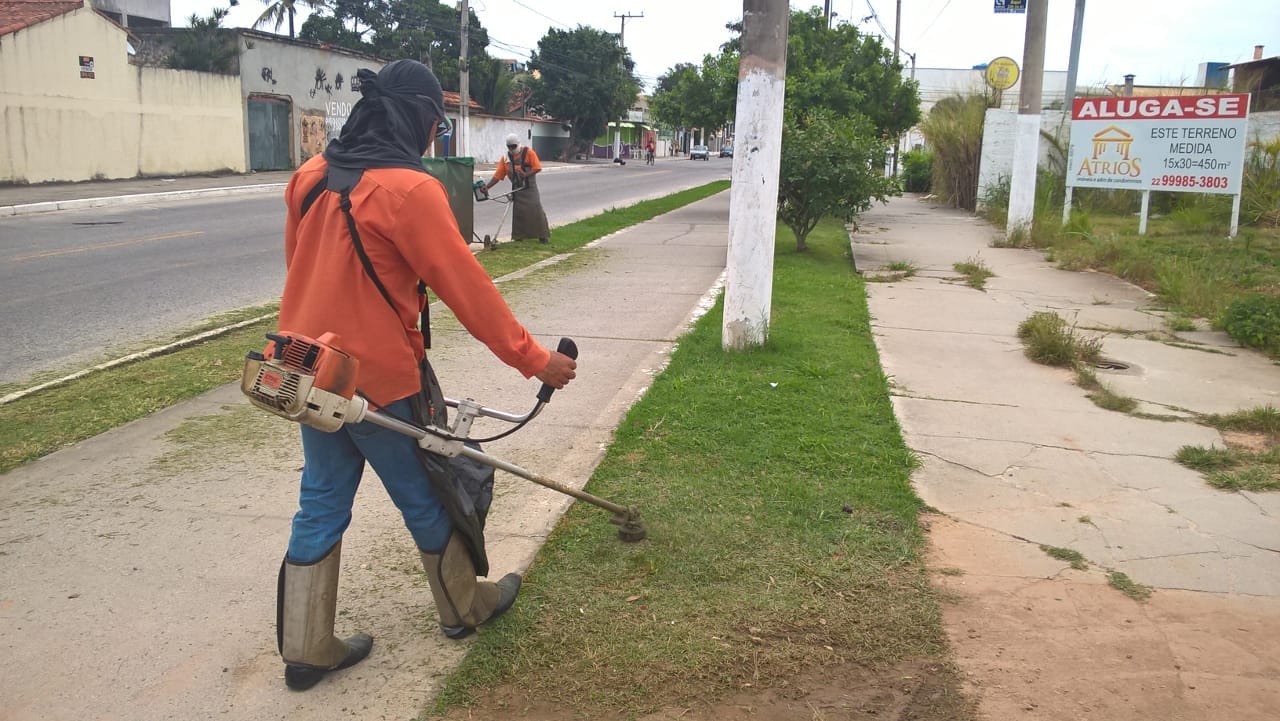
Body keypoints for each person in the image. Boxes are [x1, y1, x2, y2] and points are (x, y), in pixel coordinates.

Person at [274, 59, 577, 692]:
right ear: (416, 118)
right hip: (381, 379)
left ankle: (305, 650)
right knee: (426, 493)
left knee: (320, 501)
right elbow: (467, 291)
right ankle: (465, 608)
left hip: (306, 373)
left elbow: (300, 270)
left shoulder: (308, 178)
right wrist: (535, 359)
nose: (432, 137)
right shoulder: (409, 193)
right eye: (434, 124)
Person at [482, 134, 550, 243]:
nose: (511, 149)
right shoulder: (506, 159)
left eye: (513, 146)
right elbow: (498, 176)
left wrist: (526, 174)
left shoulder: (529, 153)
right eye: (509, 147)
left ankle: (543, 236)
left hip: (529, 189)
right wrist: (487, 187)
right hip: (517, 190)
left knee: (536, 211)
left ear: (518, 144)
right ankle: (519, 237)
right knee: (519, 215)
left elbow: (537, 168)